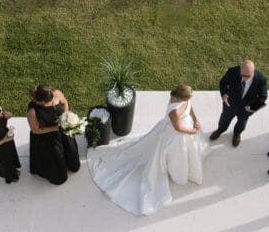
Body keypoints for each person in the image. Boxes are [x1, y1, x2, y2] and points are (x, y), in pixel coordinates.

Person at [87, 84, 208, 215]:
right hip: (176, 136)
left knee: (186, 152)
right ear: (180, 96)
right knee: (176, 155)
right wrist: (192, 131)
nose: (189, 100)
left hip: (187, 130)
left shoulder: (184, 99)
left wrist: (195, 120)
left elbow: (190, 108)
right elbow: (177, 128)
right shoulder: (174, 111)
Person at [27, 84, 80, 185]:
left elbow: (65, 103)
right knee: (60, 176)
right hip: (47, 138)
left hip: (63, 131)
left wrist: (66, 117)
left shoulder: (56, 93)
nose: (53, 102)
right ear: (41, 101)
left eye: (53, 99)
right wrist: (55, 128)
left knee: (74, 163)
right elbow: (35, 130)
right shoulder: (32, 111)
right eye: (49, 101)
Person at [210, 59, 267, 147]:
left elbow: (263, 96)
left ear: (253, 71)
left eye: (248, 76)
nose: (244, 77)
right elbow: (223, 83)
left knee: (242, 123)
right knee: (224, 119)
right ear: (240, 69)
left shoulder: (261, 79)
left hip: (245, 109)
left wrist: (252, 107)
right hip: (230, 104)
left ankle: (237, 134)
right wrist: (224, 94)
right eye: (242, 74)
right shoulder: (233, 71)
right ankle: (220, 130)